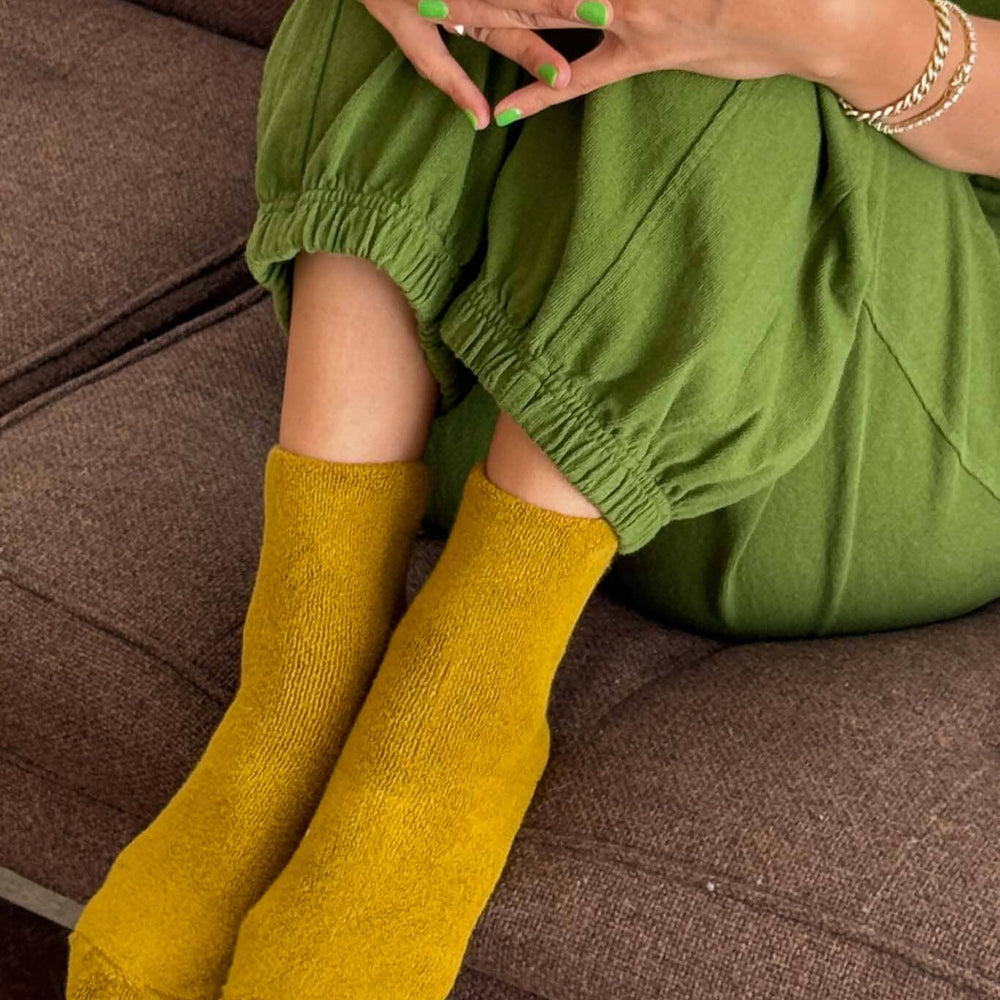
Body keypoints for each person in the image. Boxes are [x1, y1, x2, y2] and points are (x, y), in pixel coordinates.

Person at [66, 0, 1000, 997]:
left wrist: (845, 32)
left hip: (879, 419)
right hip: (481, 370)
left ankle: (455, 724)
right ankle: (301, 672)